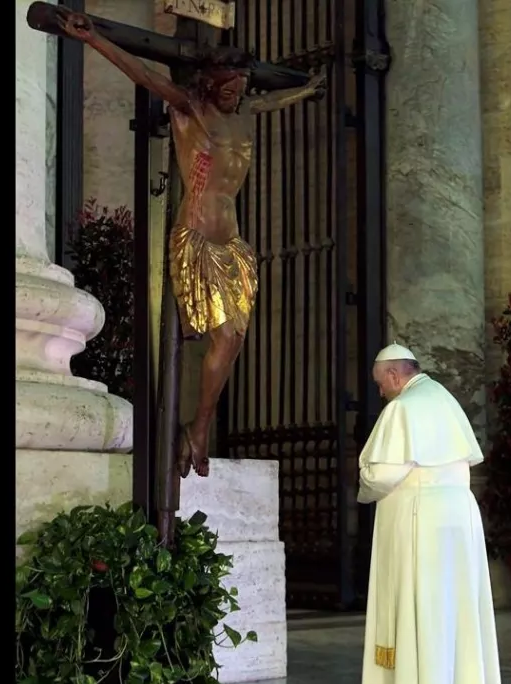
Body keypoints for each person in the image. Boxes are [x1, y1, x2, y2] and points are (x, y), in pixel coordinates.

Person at [50, 8, 324, 478]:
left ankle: (200, 424)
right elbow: (141, 72)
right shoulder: (189, 108)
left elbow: (273, 102)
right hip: (197, 235)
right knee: (215, 337)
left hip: (232, 243)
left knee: (233, 339)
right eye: (229, 87)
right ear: (211, 84)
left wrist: (307, 88)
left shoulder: (245, 115)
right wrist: (95, 39)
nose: (236, 95)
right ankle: (192, 427)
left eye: (241, 87)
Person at [356, 343, 506, 684]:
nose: (380, 394)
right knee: (451, 618)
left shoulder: (403, 409)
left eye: (380, 385)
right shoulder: (443, 399)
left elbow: (382, 474)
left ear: (393, 375)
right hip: (458, 519)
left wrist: (363, 482)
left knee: (416, 615)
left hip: (420, 521)